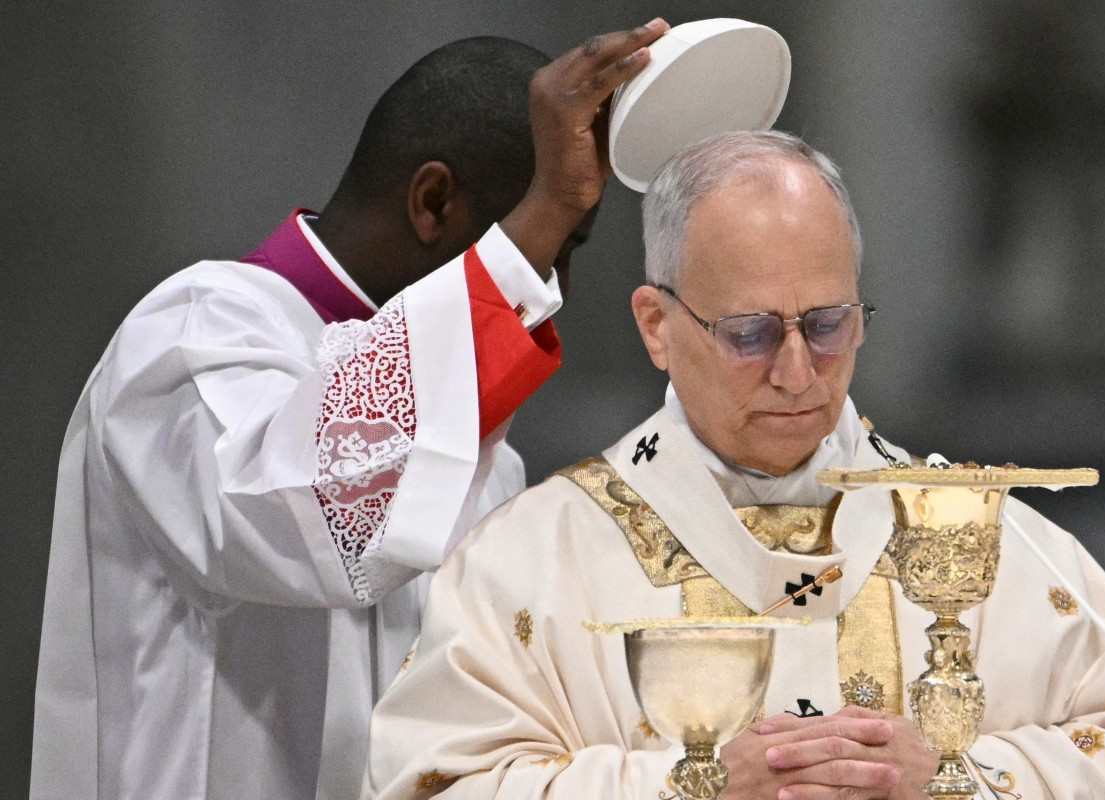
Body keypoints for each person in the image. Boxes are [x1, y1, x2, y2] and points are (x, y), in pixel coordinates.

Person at [360, 130, 1105, 799]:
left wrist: (956, 783)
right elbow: (431, 783)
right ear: (656, 325)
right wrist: (695, 789)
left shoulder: (989, 542)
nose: (797, 373)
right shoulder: (530, 564)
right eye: (751, 334)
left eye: (828, 324)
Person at [30, 20, 672, 800]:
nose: (550, 287)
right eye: (543, 243)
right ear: (433, 201)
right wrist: (551, 203)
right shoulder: (196, 336)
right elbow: (317, 524)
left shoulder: (480, 453)